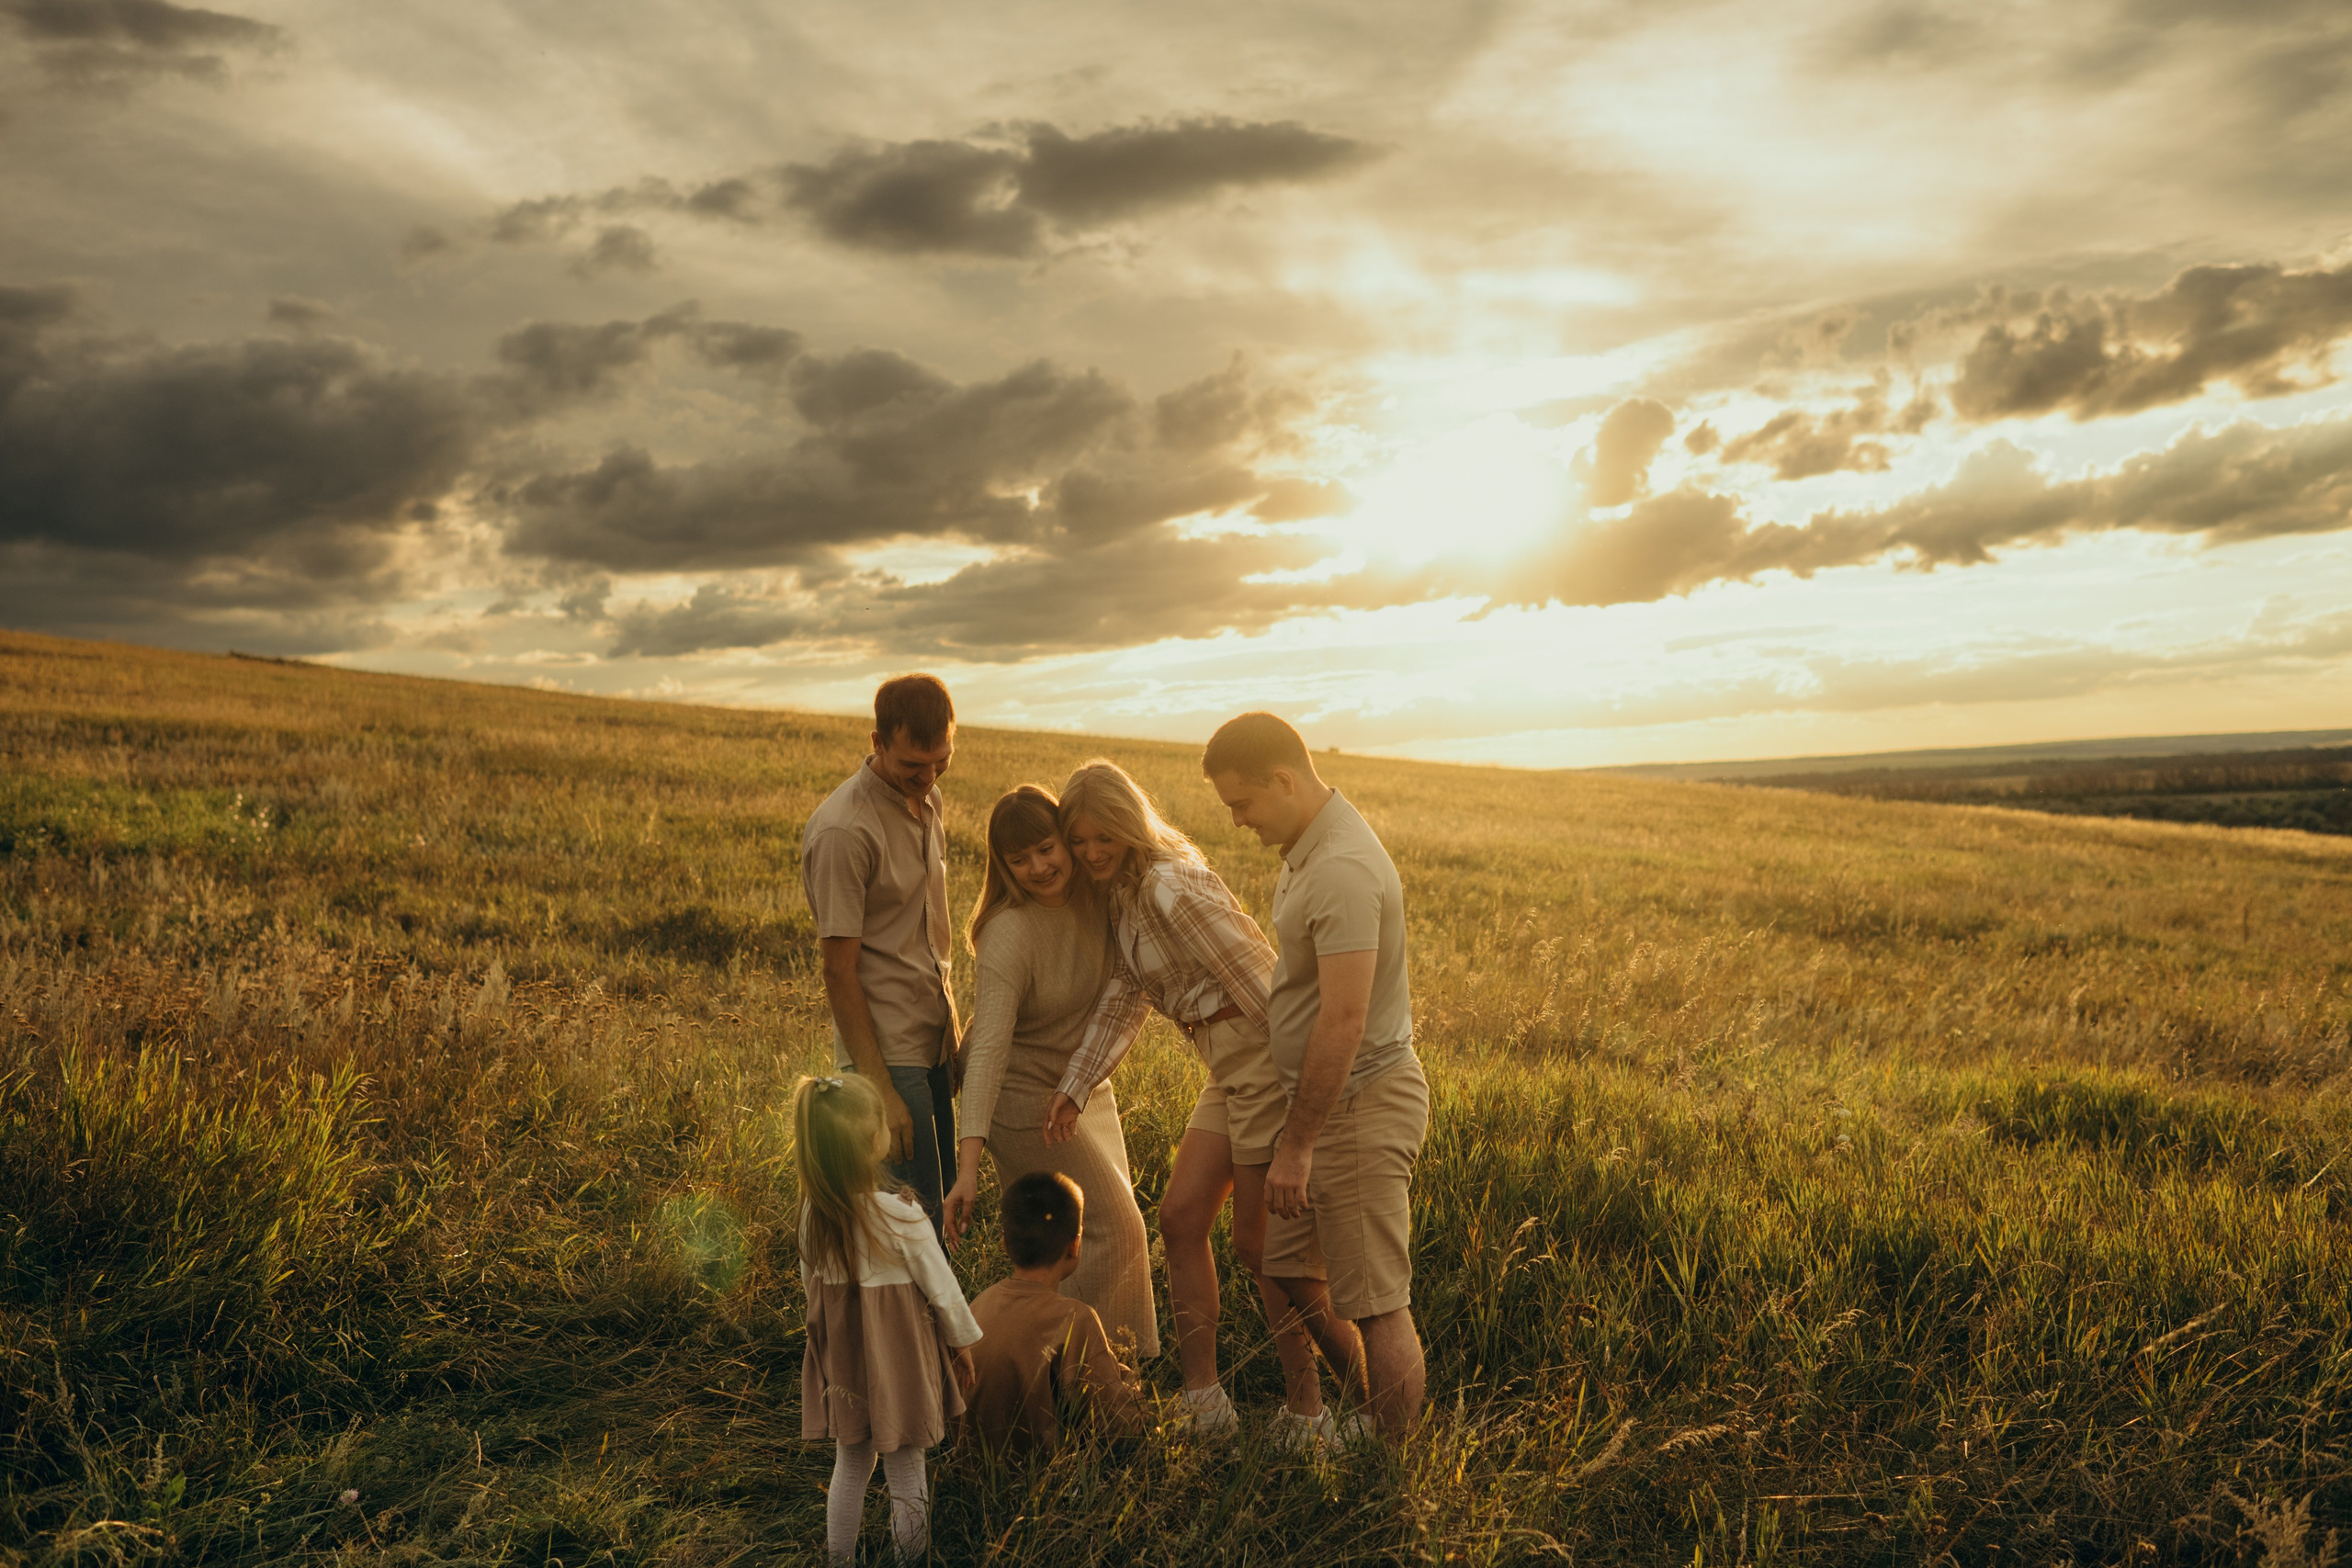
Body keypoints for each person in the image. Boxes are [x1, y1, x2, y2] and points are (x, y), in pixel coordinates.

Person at [1043, 760, 1342, 1447]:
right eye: (1078, 840)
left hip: (1264, 1056)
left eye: (1101, 838)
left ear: (1127, 824)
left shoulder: (1171, 886)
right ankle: (1205, 1400)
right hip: (1225, 1064)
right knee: (1179, 1218)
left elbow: (1260, 976)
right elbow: (1125, 994)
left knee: (1264, 1247)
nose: (1089, 852)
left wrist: (1311, 1096)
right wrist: (1075, 1084)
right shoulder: (1121, 896)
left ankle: (1309, 1412)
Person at [1204, 712, 1430, 1439]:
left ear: (1284, 780)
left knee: (1377, 1301)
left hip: (1361, 1099)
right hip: (1323, 1100)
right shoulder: (1307, 846)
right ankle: (1369, 1414)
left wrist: (1296, 1144)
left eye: (1242, 803)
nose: (1238, 821)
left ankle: (1395, 1476)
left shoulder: (1340, 868)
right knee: (1287, 1265)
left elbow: (1343, 1020)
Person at [939, 786, 1160, 1362]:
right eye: (1019, 859)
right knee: (1118, 1229)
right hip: (1022, 1102)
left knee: (1090, 1240)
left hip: (1081, 1090)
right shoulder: (1009, 933)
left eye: (1046, 848)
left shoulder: (1100, 895)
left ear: (1068, 839)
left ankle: (1077, 1374)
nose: (1038, 867)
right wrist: (968, 1170)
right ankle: (1111, 1385)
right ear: (1003, 866)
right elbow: (986, 1049)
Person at [793, 1073, 982, 1567]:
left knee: (851, 1464)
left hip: (846, 1363)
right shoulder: (902, 1216)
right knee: (907, 1470)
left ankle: (840, 1561)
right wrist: (962, 1344)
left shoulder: (815, 1214)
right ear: (873, 1142)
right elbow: (943, 1291)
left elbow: (810, 1285)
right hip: (899, 1362)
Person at [800, 673, 961, 1238]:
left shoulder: (929, 800)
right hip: (887, 1055)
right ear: (876, 742)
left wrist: (950, 1023)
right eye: (912, 766)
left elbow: (923, 931)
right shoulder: (845, 832)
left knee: (939, 1212)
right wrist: (881, 1093)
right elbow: (837, 972)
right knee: (911, 1229)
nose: (927, 778)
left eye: (940, 762)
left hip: (931, 1039)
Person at [963, 1170, 1147, 1455]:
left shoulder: (977, 1306)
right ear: (1075, 1246)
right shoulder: (1075, 1318)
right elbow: (1119, 1427)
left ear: (1005, 1246)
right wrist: (1132, 1387)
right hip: (1045, 1483)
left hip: (969, 1472)